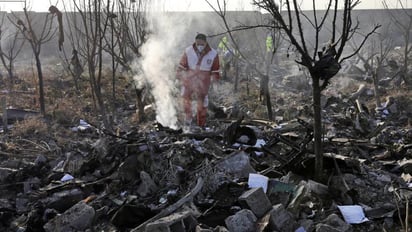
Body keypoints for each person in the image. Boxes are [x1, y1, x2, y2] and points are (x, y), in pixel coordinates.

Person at [176, 33, 220, 128]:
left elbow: (215, 70)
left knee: (203, 103)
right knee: (186, 99)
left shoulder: (213, 54)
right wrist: (179, 77)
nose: (199, 46)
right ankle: (188, 120)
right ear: (195, 42)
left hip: (204, 82)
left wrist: (215, 82)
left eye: (202, 44)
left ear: (205, 43)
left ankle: (201, 125)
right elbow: (181, 66)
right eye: (197, 44)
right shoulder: (188, 51)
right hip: (189, 80)